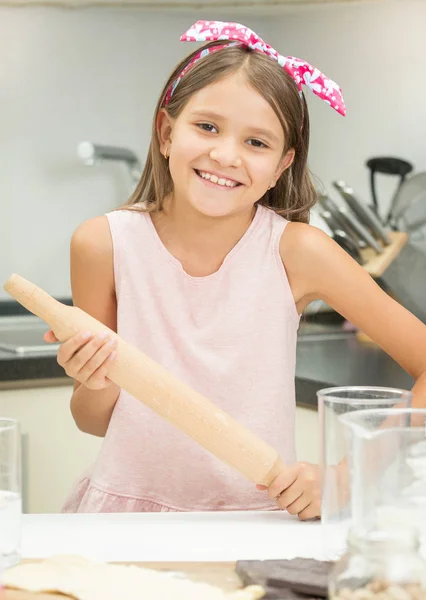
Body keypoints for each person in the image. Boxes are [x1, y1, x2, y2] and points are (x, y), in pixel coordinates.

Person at [45, 21, 426, 519]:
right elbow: (93, 421)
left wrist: (347, 477)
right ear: (165, 133)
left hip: (261, 520)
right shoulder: (101, 245)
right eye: (207, 127)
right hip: (123, 520)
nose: (225, 155)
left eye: (257, 143)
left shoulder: (299, 252)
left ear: (282, 166)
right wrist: (95, 380)